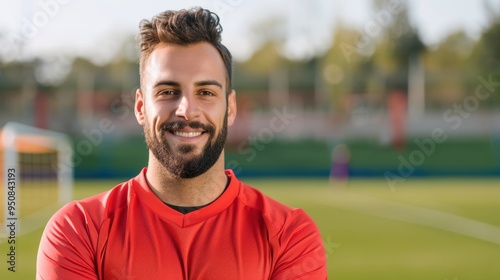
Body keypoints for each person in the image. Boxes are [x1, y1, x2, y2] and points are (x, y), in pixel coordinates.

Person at [37, 7, 327, 279]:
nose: (186, 110)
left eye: (206, 92)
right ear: (140, 107)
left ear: (231, 107)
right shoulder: (78, 230)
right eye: (167, 91)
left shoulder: (290, 235)